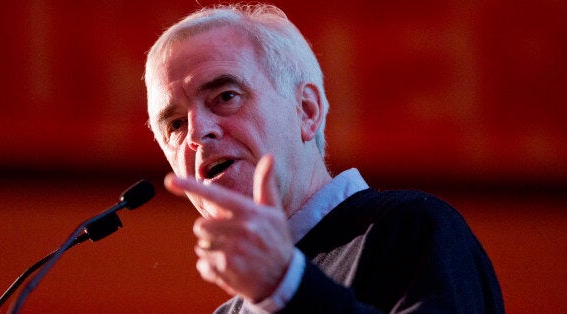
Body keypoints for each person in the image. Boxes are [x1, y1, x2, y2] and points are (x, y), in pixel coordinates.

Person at [143, 3, 504, 313]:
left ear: (306, 110)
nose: (196, 134)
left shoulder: (411, 229)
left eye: (225, 96)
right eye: (174, 124)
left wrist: (286, 287)